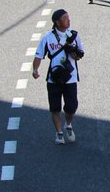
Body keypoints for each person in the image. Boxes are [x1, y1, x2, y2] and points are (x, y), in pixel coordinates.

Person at [32, 9, 85, 145]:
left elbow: (81, 53)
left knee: (71, 107)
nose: (69, 20)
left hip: (70, 78)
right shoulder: (48, 37)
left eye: (68, 17)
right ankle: (59, 133)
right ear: (57, 22)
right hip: (54, 78)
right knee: (55, 108)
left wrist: (75, 54)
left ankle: (68, 125)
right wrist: (35, 69)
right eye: (65, 18)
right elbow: (39, 55)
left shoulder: (73, 35)